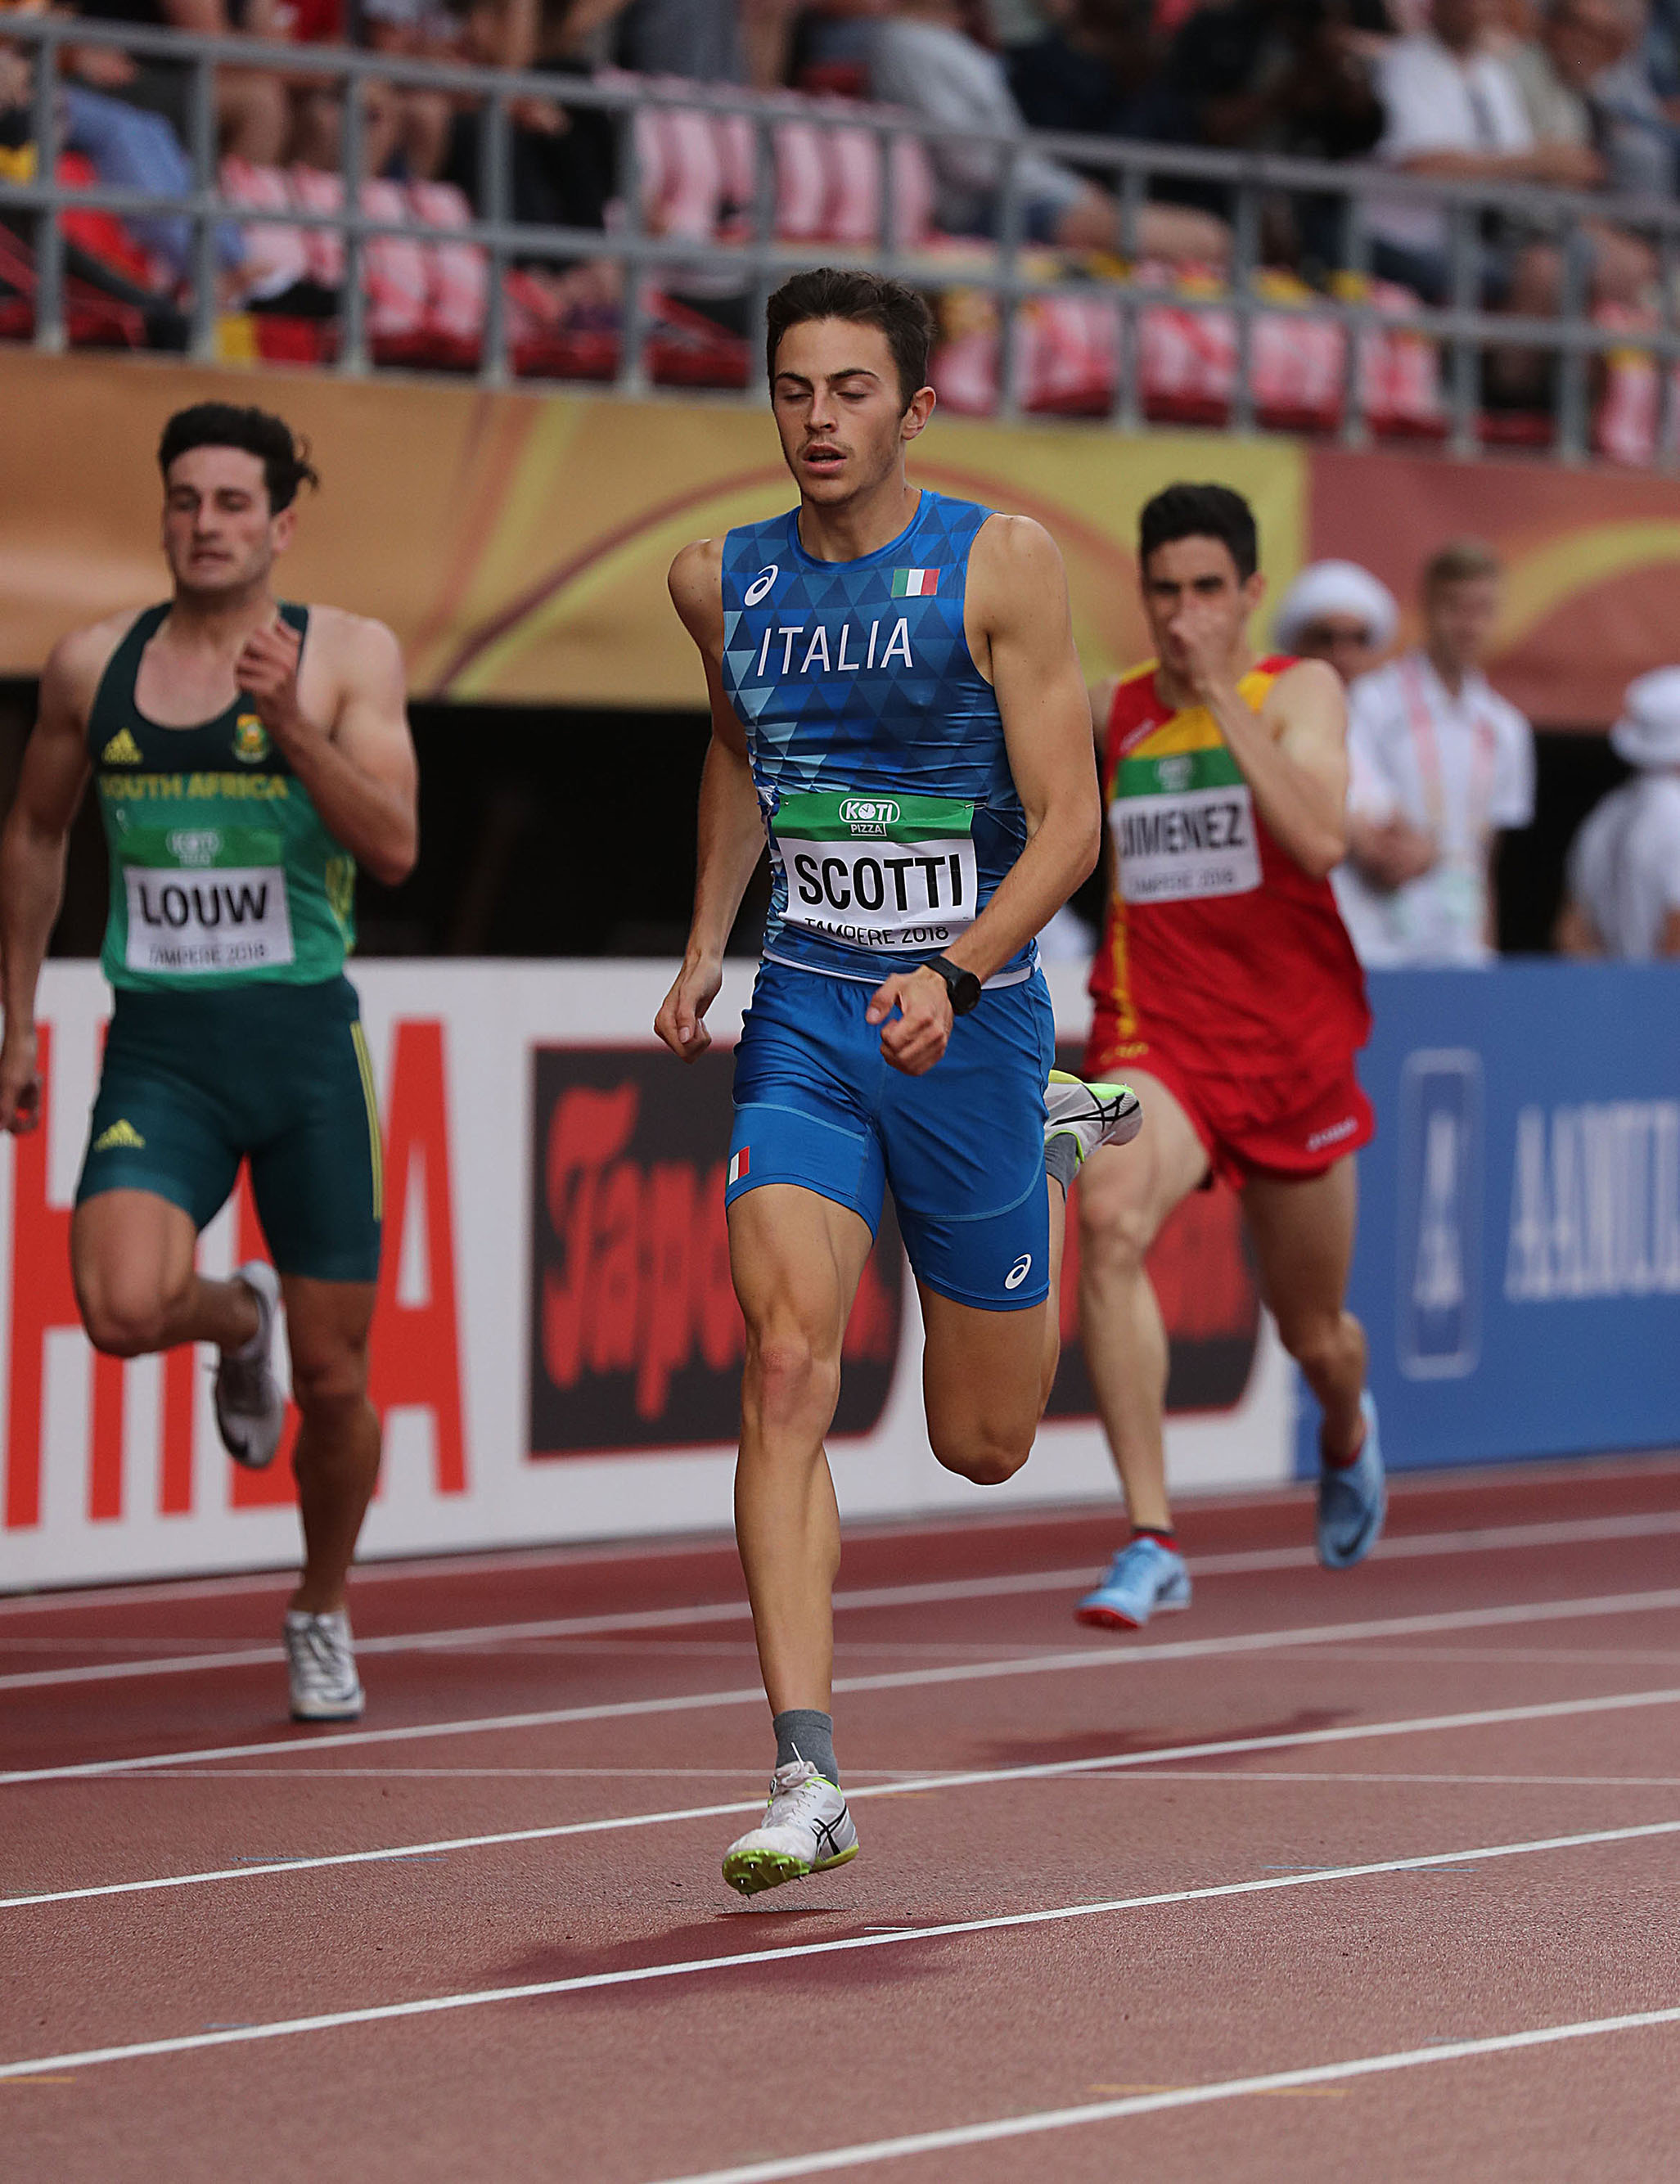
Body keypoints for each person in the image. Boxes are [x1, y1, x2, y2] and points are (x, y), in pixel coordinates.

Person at [655, 265, 1139, 1894]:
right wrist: (707, 941)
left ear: (915, 409)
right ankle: (806, 1768)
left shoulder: (999, 563)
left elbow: (1067, 825)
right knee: (786, 1360)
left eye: (851, 389)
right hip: (808, 1012)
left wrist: (957, 969)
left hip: (971, 1022)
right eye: (793, 388)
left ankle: (1049, 1140)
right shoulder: (717, 579)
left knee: (981, 1441)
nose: (818, 418)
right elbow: (738, 749)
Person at [0, 402, 417, 1723]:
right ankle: (241, 1318)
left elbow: (395, 845)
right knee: (120, 1307)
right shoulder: (92, 665)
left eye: (233, 502)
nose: (205, 523)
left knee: (338, 1379)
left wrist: (291, 724)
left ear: (281, 523)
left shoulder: (347, 655)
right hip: (162, 1047)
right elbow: (35, 834)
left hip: (304, 1052)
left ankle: (321, 1604)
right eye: (185, 499)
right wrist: (18, 1017)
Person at [1074, 482, 1385, 1632]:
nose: (1183, 613)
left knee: (1318, 1338)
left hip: (1290, 1049)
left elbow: (1320, 836)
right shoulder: (1111, 711)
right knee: (1105, 1212)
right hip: (1154, 1035)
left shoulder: (1296, 689)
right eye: (1164, 591)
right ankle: (1150, 1537)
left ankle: (1345, 1428)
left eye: (1207, 589)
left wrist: (1214, 694)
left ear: (1250, 592)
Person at [1335, 538, 1534, 967]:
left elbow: (1485, 858)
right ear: (1427, 606)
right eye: (1456, 607)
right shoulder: (1373, 701)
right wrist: (1408, 851)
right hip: (1380, 939)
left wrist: (1486, 951)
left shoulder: (1506, 728)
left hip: (1462, 945)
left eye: (1482, 609)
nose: (1469, 625)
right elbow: (1358, 822)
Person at [1556, 666, 1680, 958]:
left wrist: (1614, 984)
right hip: (1661, 986)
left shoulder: (1605, 815)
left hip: (1617, 983)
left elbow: (1571, 934)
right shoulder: (1674, 814)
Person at [1272, 556, 1399, 687]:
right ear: (1298, 644)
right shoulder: (1269, 696)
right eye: (1325, 639)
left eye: (1358, 638)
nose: (1342, 654)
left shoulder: (1395, 698)